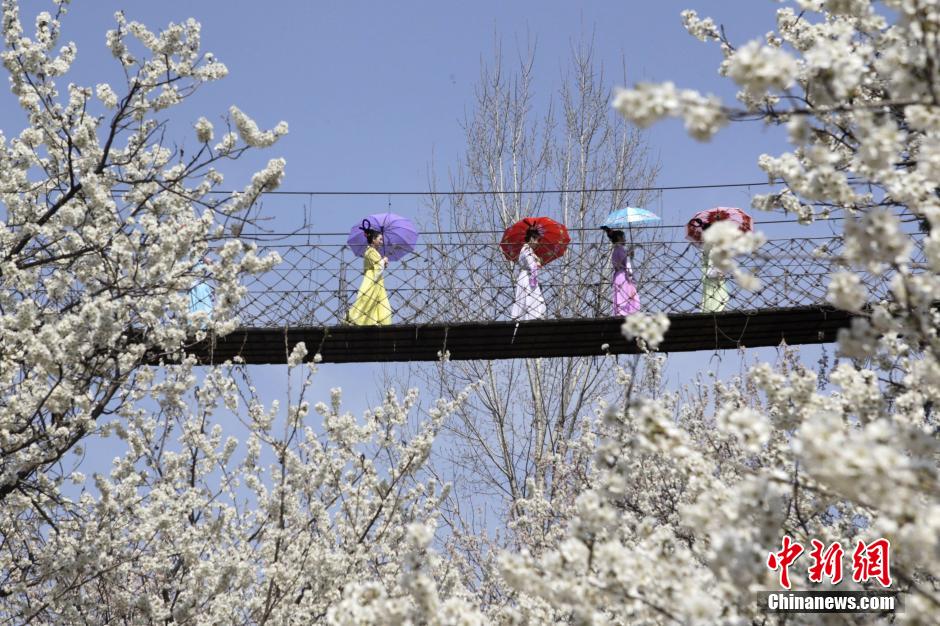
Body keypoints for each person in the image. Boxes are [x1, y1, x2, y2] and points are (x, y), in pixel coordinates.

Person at [347, 228, 392, 325]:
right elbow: (377, 266)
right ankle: (362, 319)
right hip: (372, 279)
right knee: (368, 299)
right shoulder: (370, 251)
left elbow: (378, 265)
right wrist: (383, 261)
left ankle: (374, 319)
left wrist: (383, 262)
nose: (381, 241)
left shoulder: (373, 251)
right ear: (373, 240)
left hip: (376, 279)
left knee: (375, 299)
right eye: (380, 239)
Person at [690, 218, 729, 313]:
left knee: (710, 301)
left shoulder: (707, 246)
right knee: (716, 301)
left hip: (709, 278)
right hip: (714, 279)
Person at [603, 227, 641, 316]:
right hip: (624, 276)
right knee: (629, 296)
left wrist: (629, 255)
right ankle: (628, 313)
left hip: (618, 276)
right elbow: (626, 263)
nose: (625, 239)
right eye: (624, 237)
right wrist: (629, 256)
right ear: (619, 238)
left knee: (620, 296)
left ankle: (621, 312)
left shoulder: (616, 250)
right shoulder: (621, 249)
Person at [510, 227, 547, 320]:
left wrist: (537, 260)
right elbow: (532, 266)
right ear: (531, 238)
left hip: (527, 277)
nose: (537, 243)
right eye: (536, 240)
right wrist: (537, 263)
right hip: (528, 279)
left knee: (528, 301)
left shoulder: (527, 250)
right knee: (529, 301)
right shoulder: (527, 250)